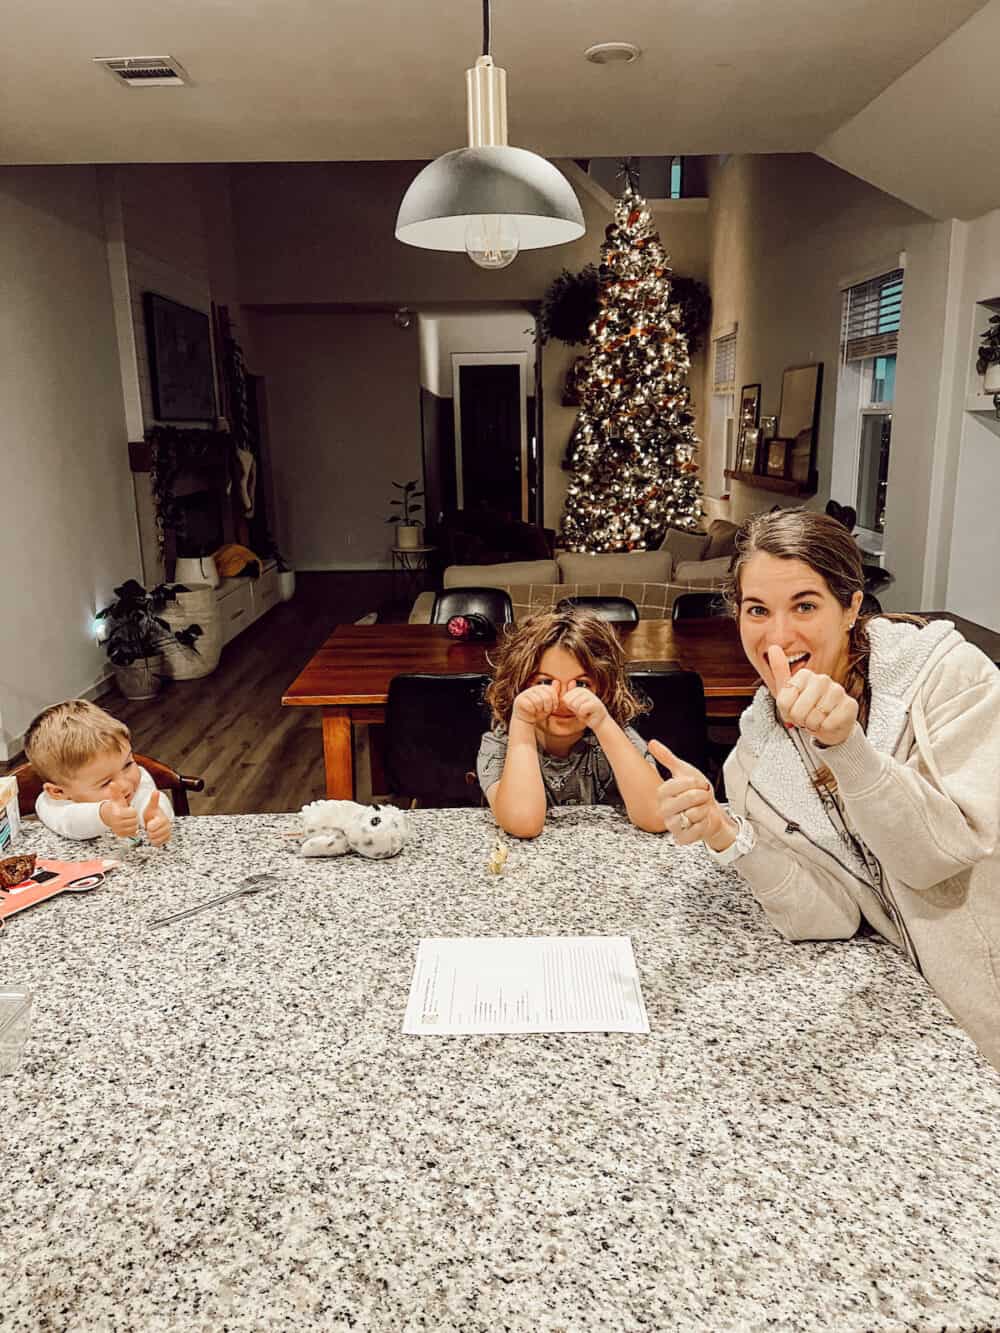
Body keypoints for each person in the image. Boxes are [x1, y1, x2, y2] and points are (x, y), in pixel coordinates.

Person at [652, 508, 1000, 1073]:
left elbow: (940, 857)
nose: (779, 635)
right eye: (758, 610)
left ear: (852, 608)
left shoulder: (952, 680)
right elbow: (829, 917)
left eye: (805, 606)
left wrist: (848, 749)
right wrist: (726, 833)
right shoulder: (753, 758)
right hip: (913, 1034)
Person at [478, 607, 663, 838]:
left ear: (604, 690)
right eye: (545, 683)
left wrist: (604, 723)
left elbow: (658, 817)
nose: (564, 700)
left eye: (582, 685)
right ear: (519, 686)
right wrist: (522, 721)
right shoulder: (500, 745)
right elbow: (523, 824)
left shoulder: (619, 737)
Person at [24, 700, 174, 846]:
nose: (125, 784)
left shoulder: (137, 780)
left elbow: (149, 799)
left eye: (128, 764)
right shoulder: (50, 804)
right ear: (58, 791)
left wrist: (158, 818)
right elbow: (69, 822)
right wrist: (104, 815)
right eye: (106, 783)